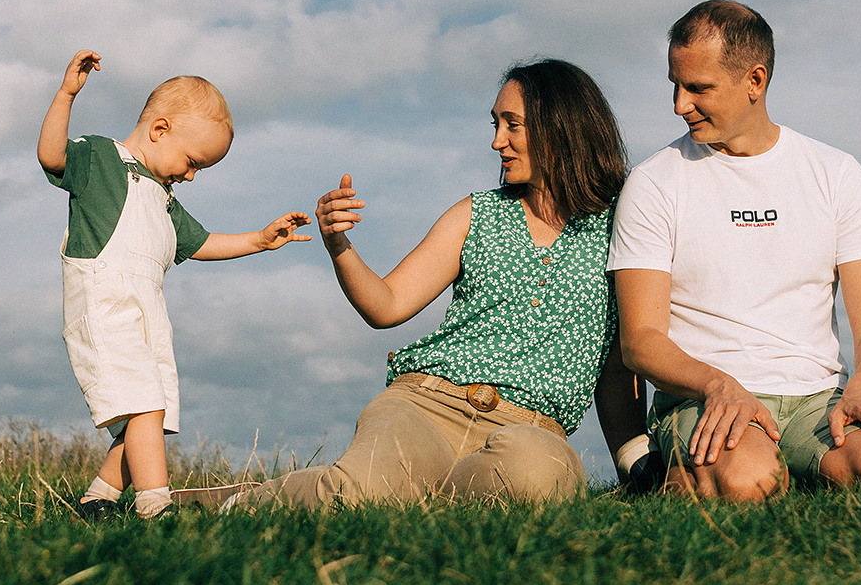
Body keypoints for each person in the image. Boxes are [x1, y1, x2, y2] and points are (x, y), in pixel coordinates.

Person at [217, 59, 648, 511]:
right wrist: (337, 243)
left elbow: (619, 365)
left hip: (531, 432)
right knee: (360, 495)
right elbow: (387, 306)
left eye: (512, 125)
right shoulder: (475, 213)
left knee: (534, 480)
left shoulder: (623, 227)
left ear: (561, 127)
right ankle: (244, 503)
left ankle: (420, 497)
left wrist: (634, 459)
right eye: (496, 124)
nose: (496, 141)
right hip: (425, 405)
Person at [610, 0, 861, 502]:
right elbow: (641, 340)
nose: (679, 105)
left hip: (816, 402)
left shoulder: (836, 172)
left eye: (698, 88)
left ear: (754, 81)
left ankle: (781, 465)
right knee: (749, 481)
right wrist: (716, 385)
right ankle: (676, 475)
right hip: (705, 396)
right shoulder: (653, 183)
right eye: (675, 84)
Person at [37, 50, 311, 519]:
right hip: (106, 305)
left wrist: (260, 240)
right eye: (192, 162)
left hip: (147, 310)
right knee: (144, 406)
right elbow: (51, 155)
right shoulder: (101, 159)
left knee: (152, 414)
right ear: (160, 129)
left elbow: (201, 242)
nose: (190, 175)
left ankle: (96, 501)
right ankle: (154, 507)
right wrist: (66, 95)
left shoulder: (163, 198)